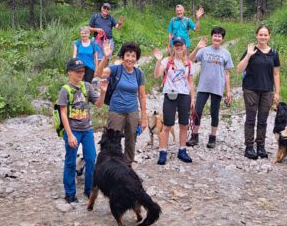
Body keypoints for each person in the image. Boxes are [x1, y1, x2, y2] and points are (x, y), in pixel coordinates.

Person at [57, 58, 103, 203]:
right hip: (73, 131)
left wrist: (103, 93)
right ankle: (70, 193)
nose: (81, 74)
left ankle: (89, 190)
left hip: (87, 130)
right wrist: (69, 135)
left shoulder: (87, 87)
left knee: (91, 160)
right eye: (77, 71)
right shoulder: (65, 90)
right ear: (70, 72)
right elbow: (62, 113)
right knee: (70, 162)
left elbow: (99, 105)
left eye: (82, 71)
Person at [96, 41, 147, 167]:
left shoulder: (139, 73)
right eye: (128, 55)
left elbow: (142, 96)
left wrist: (144, 117)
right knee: (111, 141)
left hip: (132, 112)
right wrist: (105, 57)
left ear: (137, 58)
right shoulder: (115, 69)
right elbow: (98, 74)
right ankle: (108, 167)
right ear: (123, 56)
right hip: (116, 111)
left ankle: (127, 167)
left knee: (131, 141)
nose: (130, 58)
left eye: (133, 56)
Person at [236, 25, 280, 160]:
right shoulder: (251, 50)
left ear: (269, 36)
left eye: (265, 35)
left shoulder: (274, 53)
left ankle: (260, 146)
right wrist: (248, 55)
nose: (263, 37)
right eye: (261, 34)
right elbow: (239, 69)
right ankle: (249, 147)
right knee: (250, 119)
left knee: (263, 120)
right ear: (256, 35)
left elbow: (276, 74)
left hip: (267, 90)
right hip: (251, 89)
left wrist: (277, 92)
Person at [187, 26, 233, 149]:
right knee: (197, 111)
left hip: (217, 87)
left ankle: (212, 138)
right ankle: (194, 135)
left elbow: (227, 73)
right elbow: (189, 60)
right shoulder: (204, 51)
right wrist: (197, 47)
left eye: (219, 36)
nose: (217, 38)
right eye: (215, 35)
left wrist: (228, 91)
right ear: (212, 37)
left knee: (214, 112)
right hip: (203, 86)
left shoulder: (226, 53)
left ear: (222, 39)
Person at [152, 36, 194, 165]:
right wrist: (158, 61)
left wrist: (193, 98)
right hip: (170, 95)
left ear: (184, 46)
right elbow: (156, 75)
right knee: (167, 125)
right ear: (172, 47)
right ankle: (163, 152)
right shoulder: (166, 61)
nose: (179, 47)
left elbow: (190, 81)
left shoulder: (188, 63)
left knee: (184, 124)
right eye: (176, 45)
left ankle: (182, 150)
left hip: (184, 95)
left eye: (180, 45)